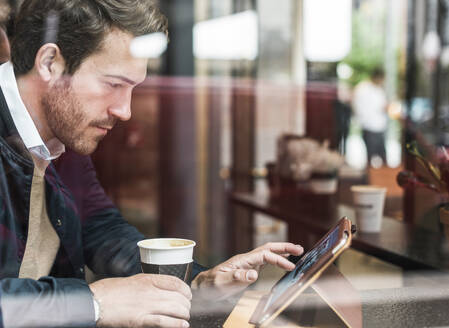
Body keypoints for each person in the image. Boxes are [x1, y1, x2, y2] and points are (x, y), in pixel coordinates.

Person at [0, 1, 304, 327]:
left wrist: (193, 283)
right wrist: (94, 303)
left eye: (132, 88)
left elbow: (103, 231)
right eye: (113, 84)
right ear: (49, 63)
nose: (125, 111)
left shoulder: (63, 136)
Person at [352, 68, 388, 167]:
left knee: (383, 157)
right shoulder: (363, 88)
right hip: (369, 127)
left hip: (379, 127)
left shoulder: (378, 89)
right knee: (370, 158)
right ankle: (369, 179)